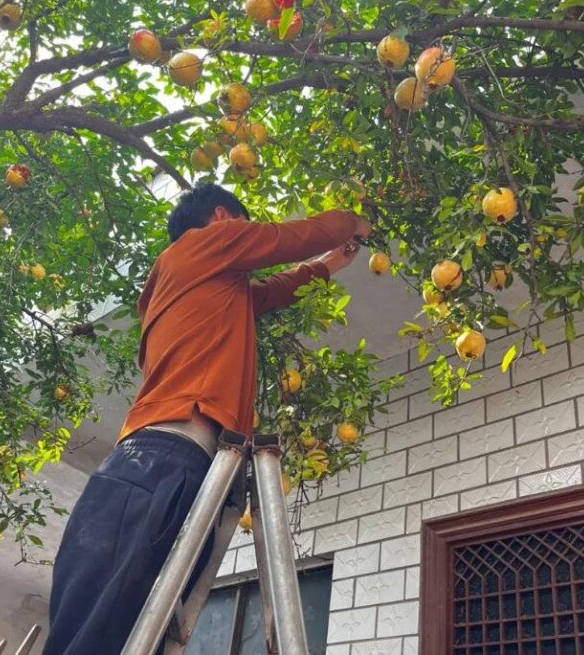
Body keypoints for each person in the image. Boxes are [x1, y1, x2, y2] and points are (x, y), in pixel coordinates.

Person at [43, 182, 370, 654]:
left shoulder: (201, 284)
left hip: (162, 465)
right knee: (97, 637)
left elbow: (272, 292)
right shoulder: (203, 243)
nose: (245, 234)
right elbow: (288, 237)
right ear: (222, 217)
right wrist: (352, 222)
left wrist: (326, 268)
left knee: (127, 632)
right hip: (159, 461)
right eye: (242, 224)